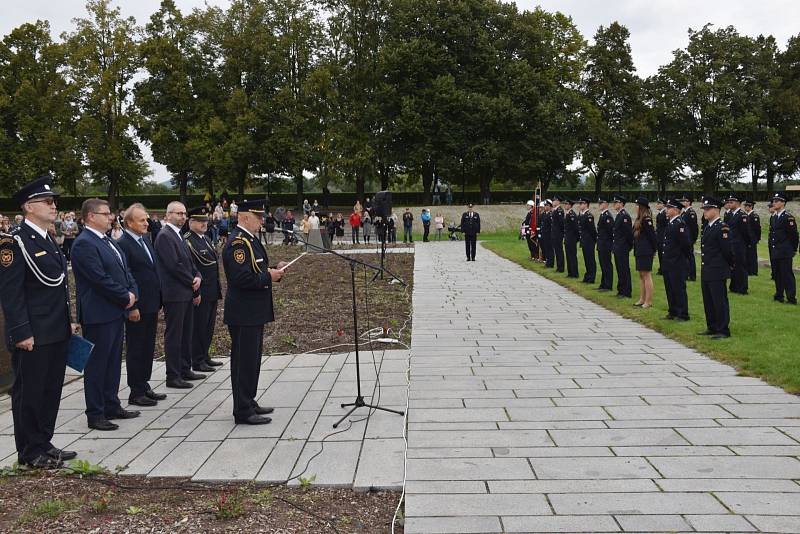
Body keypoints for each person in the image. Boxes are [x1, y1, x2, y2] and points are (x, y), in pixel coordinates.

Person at [0, 176, 77, 468]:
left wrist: (68, 321)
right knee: (29, 392)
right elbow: (11, 293)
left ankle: (44, 442)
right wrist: (21, 332)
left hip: (55, 329)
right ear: (29, 207)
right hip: (32, 333)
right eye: (47, 202)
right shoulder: (14, 242)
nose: (53, 206)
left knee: (50, 389)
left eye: (53, 201)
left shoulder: (47, 238)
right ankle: (29, 452)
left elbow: (59, 286)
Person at [72, 198, 140, 431]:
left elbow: (125, 269)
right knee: (97, 365)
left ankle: (112, 405)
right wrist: (125, 296)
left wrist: (132, 292)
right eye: (106, 213)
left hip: (115, 311)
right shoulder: (84, 243)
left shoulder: (107, 241)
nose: (111, 217)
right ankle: (96, 412)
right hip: (98, 314)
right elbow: (99, 279)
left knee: (112, 363)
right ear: (91, 216)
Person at [222, 199, 284, 425]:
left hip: (253, 311)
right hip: (244, 312)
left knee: (252, 359)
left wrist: (274, 269)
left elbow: (256, 268)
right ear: (245, 217)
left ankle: (248, 400)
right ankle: (242, 410)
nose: (261, 220)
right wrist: (269, 276)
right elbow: (241, 278)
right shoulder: (238, 243)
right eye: (257, 217)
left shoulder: (250, 239)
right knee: (243, 360)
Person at [117, 203, 166, 407]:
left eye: (146, 219)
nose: (147, 223)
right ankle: (135, 391)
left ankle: (144, 384)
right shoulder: (124, 244)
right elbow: (124, 277)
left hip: (151, 303)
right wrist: (131, 307)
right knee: (136, 347)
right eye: (142, 220)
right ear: (129, 223)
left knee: (147, 346)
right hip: (138, 305)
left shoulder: (144, 240)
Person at [155, 201, 203, 389]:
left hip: (185, 291)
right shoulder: (165, 236)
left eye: (184, 213)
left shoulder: (178, 235)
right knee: (174, 335)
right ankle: (173, 375)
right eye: (178, 213)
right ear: (168, 215)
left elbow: (189, 262)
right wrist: (192, 281)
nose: (182, 217)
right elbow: (174, 265)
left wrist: (197, 275)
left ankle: (185, 368)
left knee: (185, 333)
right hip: (175, 293)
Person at [185, 207, 224, 373]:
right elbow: (191, 268)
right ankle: (197, 359)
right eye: (200, 221)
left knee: (208, 326)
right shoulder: (187, 240)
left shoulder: (206, 239)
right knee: (199, 326)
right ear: (191, 222)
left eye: (205, 221)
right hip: (201, 291)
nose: (204, 224)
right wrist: (196, 292)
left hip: (212, 289)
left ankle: (205, 355)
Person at [699, 196, 734, 338]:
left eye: (708, 209)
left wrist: (729, 265)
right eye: (704, 209)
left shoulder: (722, 227)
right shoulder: (708, 227)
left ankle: (723, 329)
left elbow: (727, 251)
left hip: (717, 269)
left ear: (716, 210)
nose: (705, 212)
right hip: (707, 269)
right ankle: (712, 326)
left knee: (719, 301)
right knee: (708, 301)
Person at [661, 198, 691, 321]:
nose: (666, 210)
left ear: (676, 210)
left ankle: (683, 313)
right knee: (670, 288)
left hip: (677, 262)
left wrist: (681, 259)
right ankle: (673, 311)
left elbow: (685, 245)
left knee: (678, 288)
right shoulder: (671, 223)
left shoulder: (680, 223)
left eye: (669, 208)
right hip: (669, 261)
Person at [769, 192, 798, 304]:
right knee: (777, 274)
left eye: (776, 201)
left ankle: (791, 298)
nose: (774, 203)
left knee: (787, 274)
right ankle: (779, 294)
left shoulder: (788, 217)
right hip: (775, 250)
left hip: (785, 251)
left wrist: (793, 249)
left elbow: (794, 235)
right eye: (773, 201)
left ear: (783, 203)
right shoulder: (774, 217)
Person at [723, 193, 751, 295]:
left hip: (739, 244)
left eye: (732, 202)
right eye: (728, 202)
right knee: (733, 266)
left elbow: (746, 232)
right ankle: (734, 286)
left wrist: (745, 244)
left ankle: (743, 288)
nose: (729, 204)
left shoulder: (742, 215)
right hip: (730, 244)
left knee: (741, 266)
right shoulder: (729, 214)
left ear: (738, 203)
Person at [632, 196, 657, 308]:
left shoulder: (647, 219)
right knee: (641, 275)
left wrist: (653, 250)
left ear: (641, 207)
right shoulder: (639, 219)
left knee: (646, 275)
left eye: (637, 205)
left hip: (646, 251)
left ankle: (648, 301)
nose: (635, 207)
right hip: (640, 250)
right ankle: (642, 299)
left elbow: (652, 237)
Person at [612, 195, 633, 298]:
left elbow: (629, 234)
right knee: (619, 269)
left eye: (616, 202)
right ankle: (621, 290)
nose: (614, 204)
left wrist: (627, 246)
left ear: (621, 204)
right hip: (617, 247)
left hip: (622, 247)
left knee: (624, 269)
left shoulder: (624, 216)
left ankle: (626, 291)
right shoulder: (619, 215)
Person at [596, 197, 615, 293]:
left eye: (601, 203)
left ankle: (608, 285)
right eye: (599, 203)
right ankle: (603, 284)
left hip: (606, 244)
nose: (599, 205)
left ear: (606, 204)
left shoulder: (607, 216)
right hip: (601, 244)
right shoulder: (602, 215)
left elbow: (610, 232)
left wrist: (610, 245)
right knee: (603, 265)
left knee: (607, 265)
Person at [578, 198, 597, 283]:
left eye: (582, 203)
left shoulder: (588, 215)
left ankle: (591, 277)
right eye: (580, 203)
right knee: (586, 260)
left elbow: (592, 230)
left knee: (590, 260)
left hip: (589, 241)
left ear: (586, 204)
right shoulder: (582, 215)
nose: (580, 205)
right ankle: (587, 276)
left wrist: (593, 240)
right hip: (585, 241)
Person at [681, 195, 699, 281]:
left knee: (690, 257)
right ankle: (686, 274)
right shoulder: (684, 212)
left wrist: (693, 239)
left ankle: (692, 275)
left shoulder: (691, 213)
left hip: (689, 239)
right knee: (685, 257)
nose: (683, 202)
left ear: (689, 202)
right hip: (685, 239)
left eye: (685, 200)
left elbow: (694, 228)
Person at [744, 200, 761, 276]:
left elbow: (757, 229)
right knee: (747, 255)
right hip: (747, 239)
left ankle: (754, 271)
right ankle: (748, 270)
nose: (745, 207)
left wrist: (757, 239)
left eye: (746, 206)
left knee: (752, 255)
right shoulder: (746, 215)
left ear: (750, 206)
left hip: (752, 238)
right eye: (745, 206)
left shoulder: (754, 216)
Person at [563, 199, 580, 278]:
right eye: (565, 204)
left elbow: (576, 228)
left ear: (570, 205)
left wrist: (575, 239)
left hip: (571, 239)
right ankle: (570, 272)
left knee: (572, 256)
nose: (565, 205)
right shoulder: (567, 214)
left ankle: (574, 273)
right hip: (567, 238)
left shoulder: (572, 215)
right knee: (568, 256)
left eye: (567, 204)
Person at [550, 195, 565, 272]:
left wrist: (560, 233)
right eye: (553, 200)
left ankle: (561, 267)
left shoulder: (559, 211)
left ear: (558, 201)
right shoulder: (555, 210)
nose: (553, 202)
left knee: (559, 250)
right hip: (555, 233)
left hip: (558, 234)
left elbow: (561, 223)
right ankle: (559, 266)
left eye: (555, 200)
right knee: (557, 250)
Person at [655, 198, 667, 275]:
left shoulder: (665, 214)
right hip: (659, 237)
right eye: (657, 203)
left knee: (663, 254)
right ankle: (661, 269)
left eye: (659, 203)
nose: (657, 205)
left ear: (663, 205)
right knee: (660, 254)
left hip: (663, 237)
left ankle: (664, 269)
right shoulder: (660, 214)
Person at [540, 200, 553, 266]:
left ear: (550, 206)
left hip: (549, 234)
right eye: (545, 205)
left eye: (547, 205)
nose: (545, 207)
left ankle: (550, 263)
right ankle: (547, 261)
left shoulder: (551, 214)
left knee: (550, 249)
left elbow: (551, 226)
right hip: (544, 234)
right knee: (546, 248)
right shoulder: (544, 214)